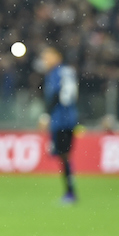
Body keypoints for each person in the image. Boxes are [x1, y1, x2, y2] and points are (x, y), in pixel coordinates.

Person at [38, 46, 79, 204]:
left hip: (60, 119)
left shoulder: (56, 73)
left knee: (62, 155)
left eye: (47, 56)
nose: (45, 60)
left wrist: (46, 115)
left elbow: (56, 95)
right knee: (64, 155)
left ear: (57, 56)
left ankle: (70, 192)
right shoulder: (68, 71)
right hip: (70, 118)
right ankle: (70, 190)